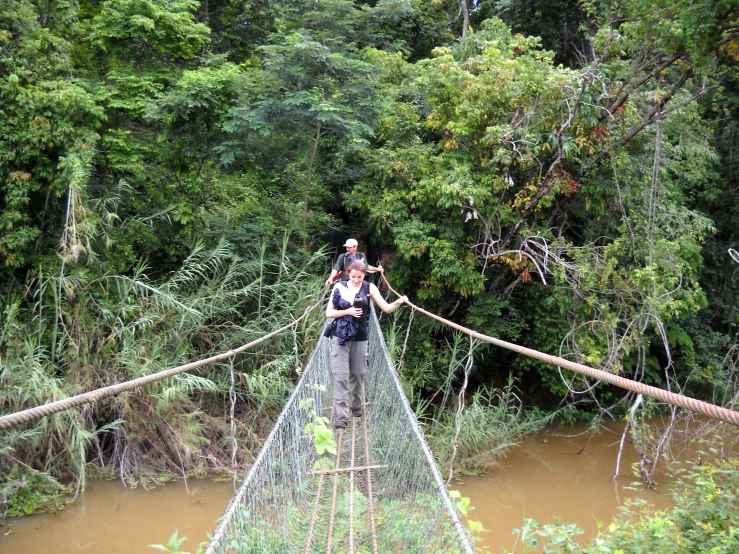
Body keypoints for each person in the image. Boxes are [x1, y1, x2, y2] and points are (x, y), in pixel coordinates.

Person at [325, 259, 407, 429]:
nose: (356, 280)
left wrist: (398, 302)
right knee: (340, 377)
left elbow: (386, 308)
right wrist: (347, 311)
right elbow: (328, 313)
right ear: (348, 273)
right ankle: (341, 417)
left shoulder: (369, 287)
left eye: (360, 277)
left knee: (357, 374)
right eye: (353, 276)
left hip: (360, 338)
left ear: (364, 275)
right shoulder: (338, 287)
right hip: (340, 338)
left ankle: (356, 406)